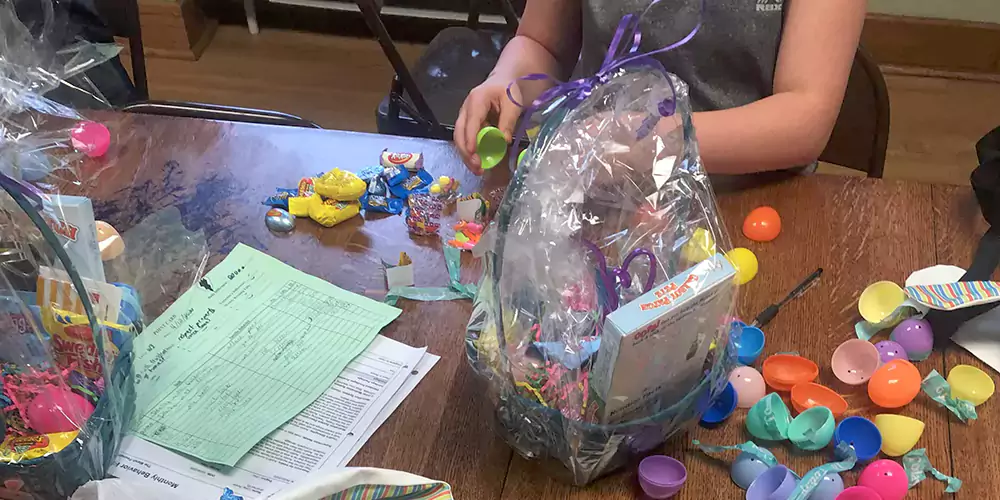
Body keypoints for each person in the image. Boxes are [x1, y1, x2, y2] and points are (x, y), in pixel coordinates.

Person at [453, 0, 867, 180]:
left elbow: (804, 118)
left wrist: (654, 138)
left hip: (751, 199)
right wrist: (507, 82)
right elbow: (541, 45)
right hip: (604, 192)